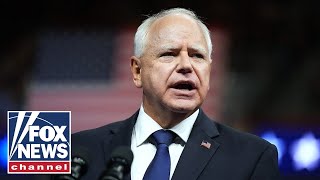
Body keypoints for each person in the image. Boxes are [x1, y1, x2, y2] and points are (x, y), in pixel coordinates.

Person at [72, 7, 280, 180]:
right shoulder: (73, 150)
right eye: (169, 54)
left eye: (197, 55)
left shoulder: (253, 156)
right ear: (137, 71)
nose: (186, 66)